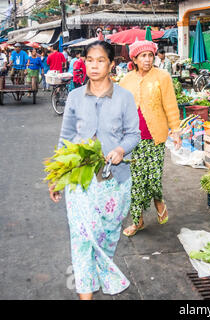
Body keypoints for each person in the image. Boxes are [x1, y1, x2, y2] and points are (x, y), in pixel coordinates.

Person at [48, 41, 141, 300]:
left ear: (112, 64)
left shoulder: (124, 97)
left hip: (114, 182)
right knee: (81, 238)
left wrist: (121, 150)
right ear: (84, 62)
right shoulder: (75, 96)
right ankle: (85, 294)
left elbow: (134, 134)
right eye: (90, 59)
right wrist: (56, 176)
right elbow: (66, 138)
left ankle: (100, 270)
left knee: (106, 238)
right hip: (80, 179)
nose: (94, 65)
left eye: (100, 60)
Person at [119, 40, 182, 237]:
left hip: (155, 137)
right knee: (136, 182)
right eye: (143, 56)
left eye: (150, 55)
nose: (147, 59)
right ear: (135, 59)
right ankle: (137, 221)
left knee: (153, 179)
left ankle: (158, 201)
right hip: (132, 140)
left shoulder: (162, 77)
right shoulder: (126, 80)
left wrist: (176, 130)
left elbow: (170, 105)